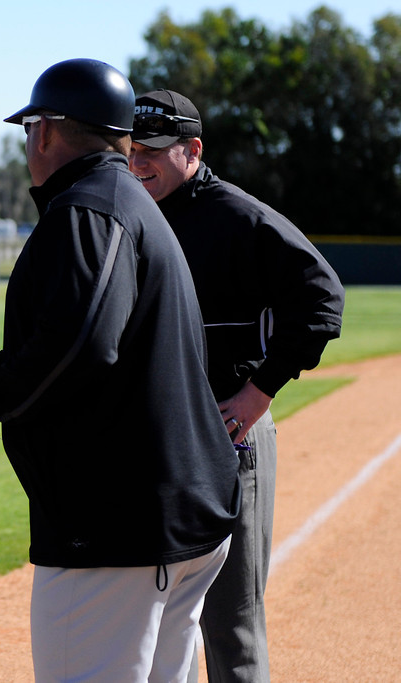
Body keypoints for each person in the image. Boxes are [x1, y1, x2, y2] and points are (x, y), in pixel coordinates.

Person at [0, 59, 241, 681]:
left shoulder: (89, 208)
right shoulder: (128, 202)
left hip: (116, 531)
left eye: (29, 130)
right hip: (175, 518)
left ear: (46, 132)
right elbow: (76, 337)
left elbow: (82, 343)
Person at [130, 89, 345, 683]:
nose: (138, 161)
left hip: (230, 437)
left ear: (191, 150)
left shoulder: (237, 215)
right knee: (157, 618)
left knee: (231, 625)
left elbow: (322, 298)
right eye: (130, 149)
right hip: (158, 446)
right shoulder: (134, 214)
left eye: (152, 149)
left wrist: (260, 390)